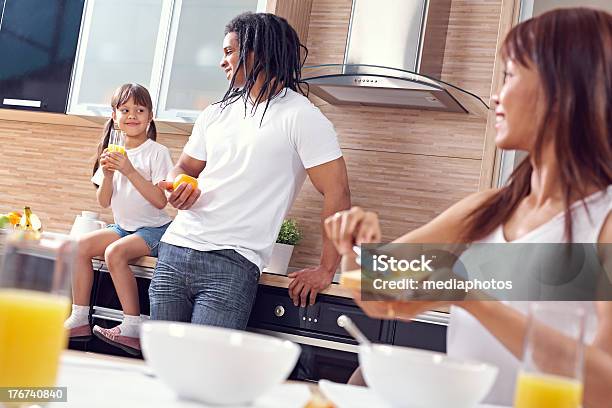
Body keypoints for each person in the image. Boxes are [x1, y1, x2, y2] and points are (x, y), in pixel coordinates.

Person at [325, 8, 611, 408]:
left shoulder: (604, 223)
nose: (496, 94)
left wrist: (472, 298)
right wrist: (352, 247)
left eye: (510, 75)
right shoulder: (489, 210)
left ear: (561, 90)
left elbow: (605, 386)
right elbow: (378, 292)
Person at [149, 13, 351, 329]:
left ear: (259, 51)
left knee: (209, 370)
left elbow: (338, 192)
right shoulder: (216, 113)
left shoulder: (302, 117)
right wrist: (178, 185)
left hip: (232, 262)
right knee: (159, 365)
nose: (222, 62)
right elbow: (184, 167)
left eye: (229, 51)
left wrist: (327, 269)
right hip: (175, 250)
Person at [64, 83, 174, 355]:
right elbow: (103, 202)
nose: (132, 115)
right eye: (125, 110)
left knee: (114, 253)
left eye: (139, 109)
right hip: (123, 228)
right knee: (78, 247)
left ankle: (132, 327)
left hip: (155, 230)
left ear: (150, 116)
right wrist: (111, 174)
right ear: (114, 116)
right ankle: (79, 319)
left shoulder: (156, 153)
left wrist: (129, 169)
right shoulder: (111, 152)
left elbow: (161, 201)